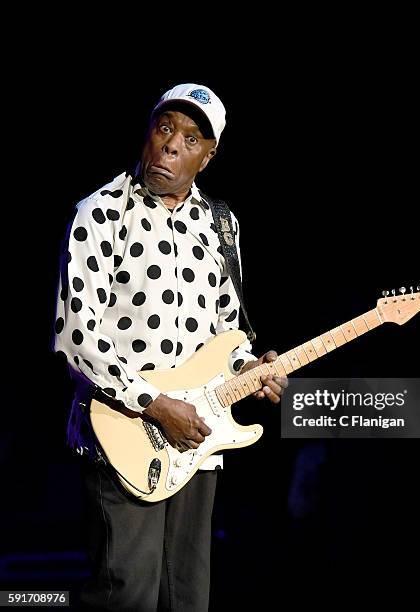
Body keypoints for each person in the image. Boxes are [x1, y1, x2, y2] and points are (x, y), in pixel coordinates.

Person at [53, 83, 288, 611]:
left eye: (190, 137)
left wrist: (251, 368)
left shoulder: (221, 224)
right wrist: (157, 405)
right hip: (124, 438)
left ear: (208, 155)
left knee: (187, 597)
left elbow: (228, 329)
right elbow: (76, 339)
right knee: (126, 595)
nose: (171, 145)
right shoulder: (101, 213)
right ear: (148, 132)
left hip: (197, 442)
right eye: (164, 128)